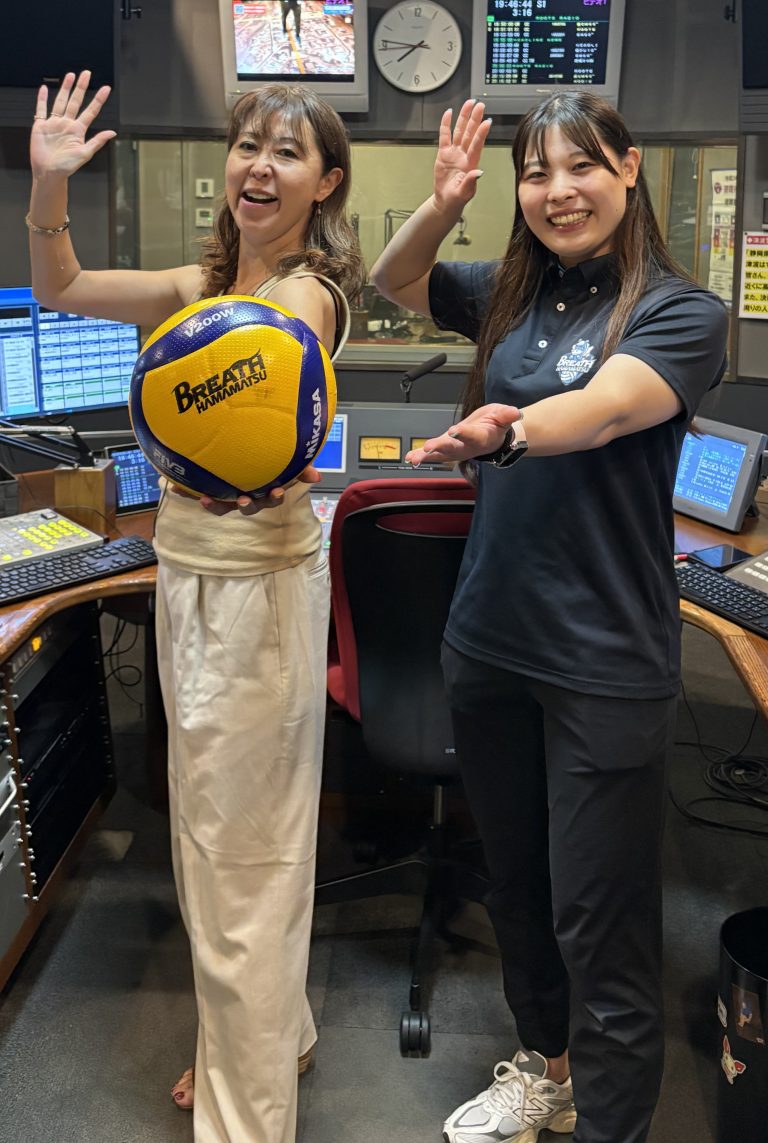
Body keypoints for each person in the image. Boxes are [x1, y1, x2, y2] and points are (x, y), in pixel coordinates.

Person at [370, 93, 728, 1143]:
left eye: (581, 167)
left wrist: (508, 432)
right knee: (520, 890)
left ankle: (613, 1125)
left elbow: (607, 408)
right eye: (536, 173)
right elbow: (392, 279)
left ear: (629, 169)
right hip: (490, 641)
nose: (558, 191)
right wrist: (444, 204)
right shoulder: (512, 291)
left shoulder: (680, 311)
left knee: (601, 921)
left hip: (603, 660)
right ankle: (550, 1073)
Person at [28, 70, 364, 1143]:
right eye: (248, 145)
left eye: (287, 151)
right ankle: (269, 1035)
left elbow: (277, 366)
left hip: (253, 592)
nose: (259, 166)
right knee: (221, 843)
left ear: (325, 183)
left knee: (240, 860)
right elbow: (61, 286)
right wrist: (48, 184)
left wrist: (253, 441)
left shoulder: (305, 294)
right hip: (191, 576)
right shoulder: (200, 284)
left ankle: (245, 1118)